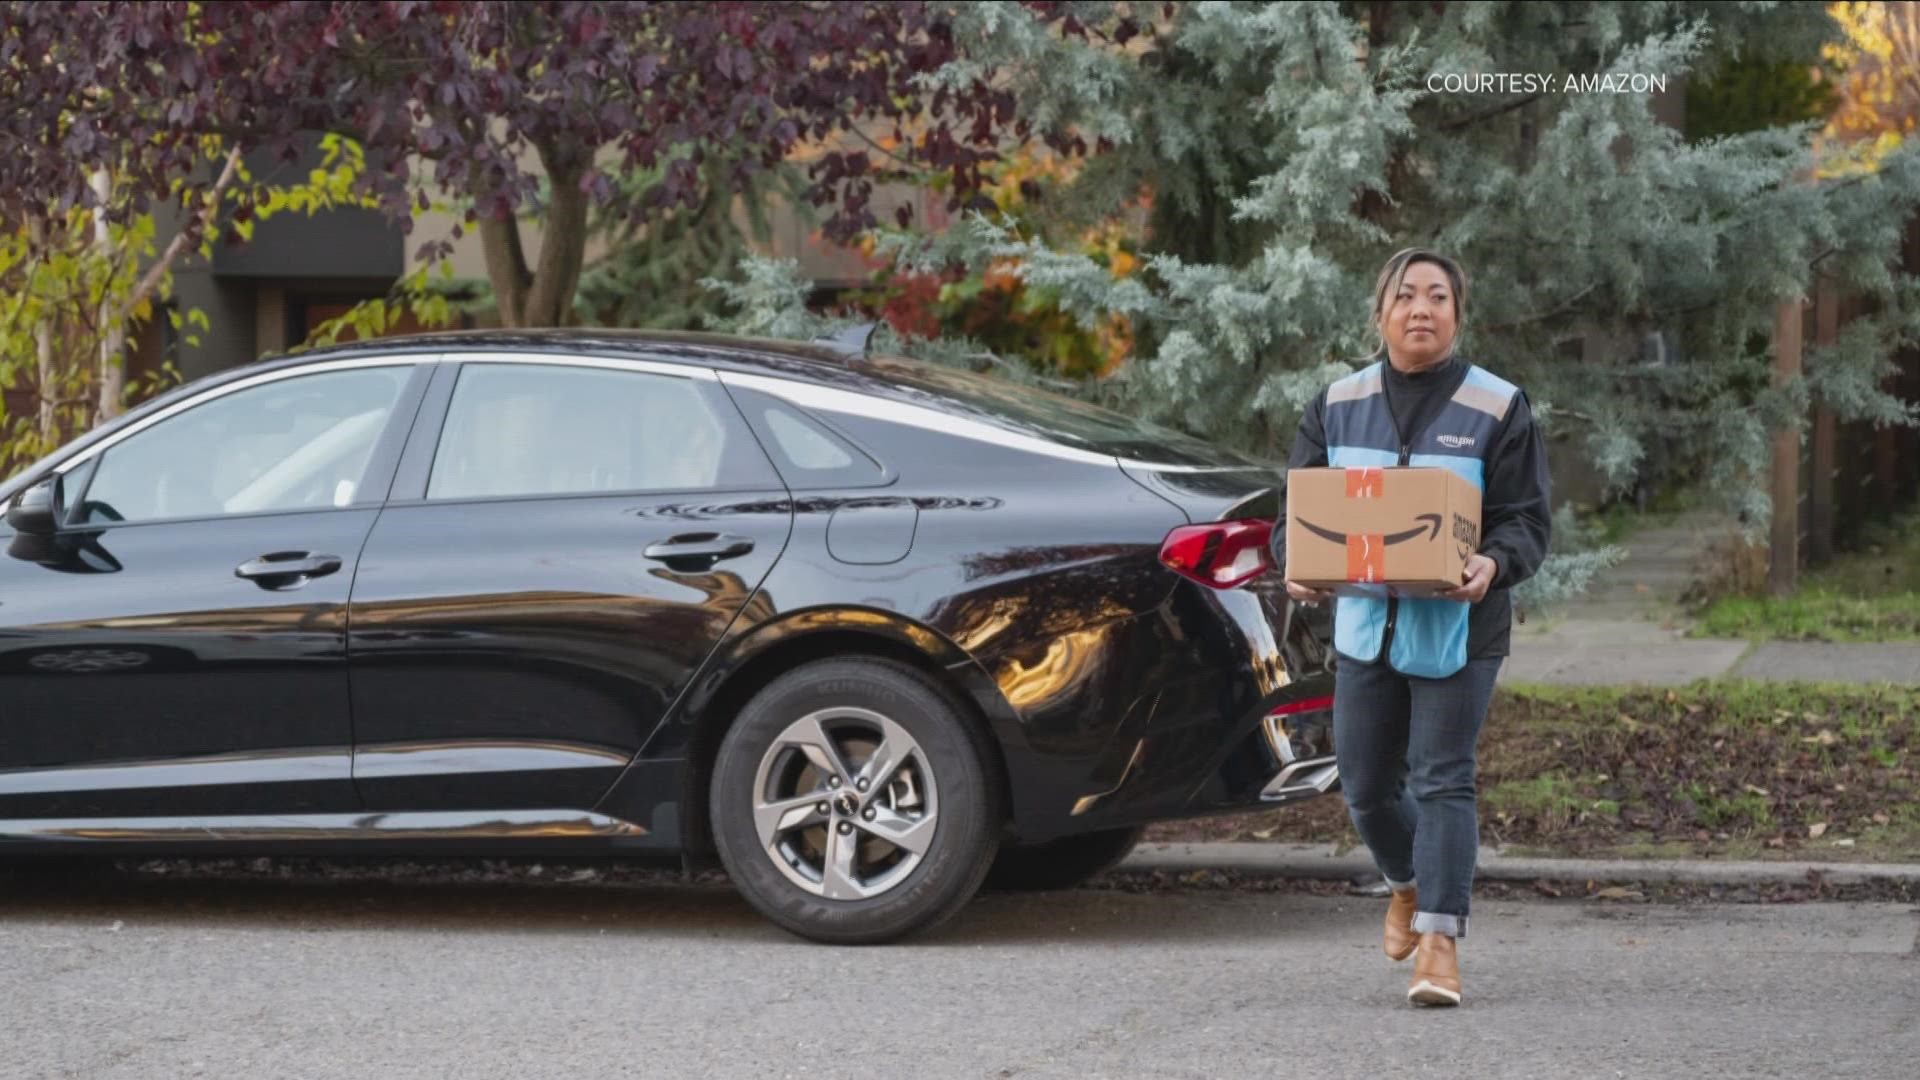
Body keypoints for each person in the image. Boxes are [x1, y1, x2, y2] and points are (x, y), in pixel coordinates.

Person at [1282, 248, 1551, 1007]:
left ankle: (1439, 945)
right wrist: (1295, 562)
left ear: (1458, 315)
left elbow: (1526, 520)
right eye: (1406, 296)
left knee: (1442, 778)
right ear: (1382, 313)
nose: (1421, 309)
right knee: (1365, 785)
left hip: (1461, 629)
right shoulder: (1337, 403)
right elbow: (1297, 514)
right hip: (1367, 623)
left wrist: (1494, 564)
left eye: (1438, 296)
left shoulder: (1498, 406)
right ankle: (1406, 884)